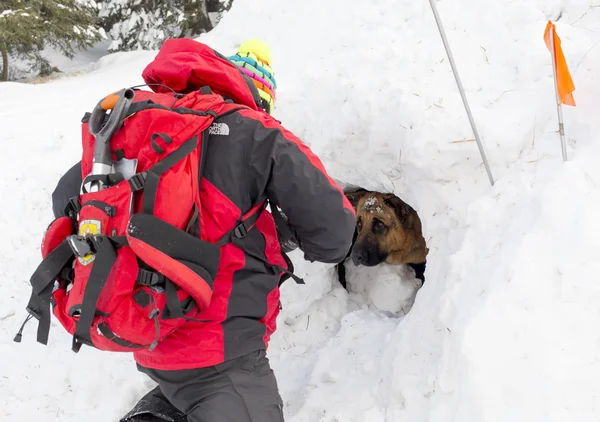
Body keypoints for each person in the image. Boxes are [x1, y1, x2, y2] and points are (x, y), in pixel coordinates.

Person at [49, 38, 356, 422]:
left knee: (191, 389)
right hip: (220, 348)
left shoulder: (142, 126)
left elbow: (65, 198)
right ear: (258, 98)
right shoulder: (256, 132)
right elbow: (334, 235)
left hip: (146, 323)